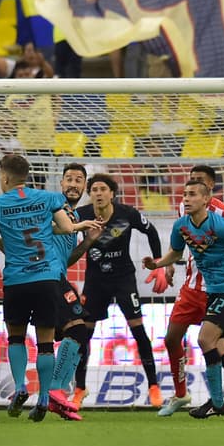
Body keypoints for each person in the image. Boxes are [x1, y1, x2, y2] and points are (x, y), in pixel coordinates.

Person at [0, 153, 100, 421]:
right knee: (45, 345)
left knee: (16, 338)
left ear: (4, 177)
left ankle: (20, 387)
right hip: (47, 279)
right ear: (27, 177)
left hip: (16, 280)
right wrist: (80, 226)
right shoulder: (49, 199)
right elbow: (66, 228)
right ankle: (44, 397)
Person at [155, 165, 224, 417]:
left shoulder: (223, 217)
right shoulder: (183, 214)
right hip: (193, 288)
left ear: (209, 191)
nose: (188, 195)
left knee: (219, 345)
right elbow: (178, 248)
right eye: (188, 186)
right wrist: (165, 265)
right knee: (174, 338)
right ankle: (185, 394)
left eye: (197, 185)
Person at [68, 173, 165, 409]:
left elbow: (151, 231)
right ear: (89, 195)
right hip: (95, 280)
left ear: (112, 193)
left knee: (138, 330)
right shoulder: (82, 215)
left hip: (123, 279)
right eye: (94, 190)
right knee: (84, 334)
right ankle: (79, 389)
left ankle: (153, 386)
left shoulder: (127, 213)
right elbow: (65, 231)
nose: (98, 193)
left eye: (103, 189)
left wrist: (159, 264)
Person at [45, 163, 101, 421]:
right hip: (46, 276)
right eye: (69, 179)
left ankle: (55, 397)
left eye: (79, 180)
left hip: (57, 274)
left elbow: (67, 259)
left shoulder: (74, 218)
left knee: (70, 334)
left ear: (84, 188)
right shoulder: (51, 204)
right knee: (78, 329)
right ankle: (54, 391)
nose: (73, 184)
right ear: (61, 183)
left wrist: (88, 242)